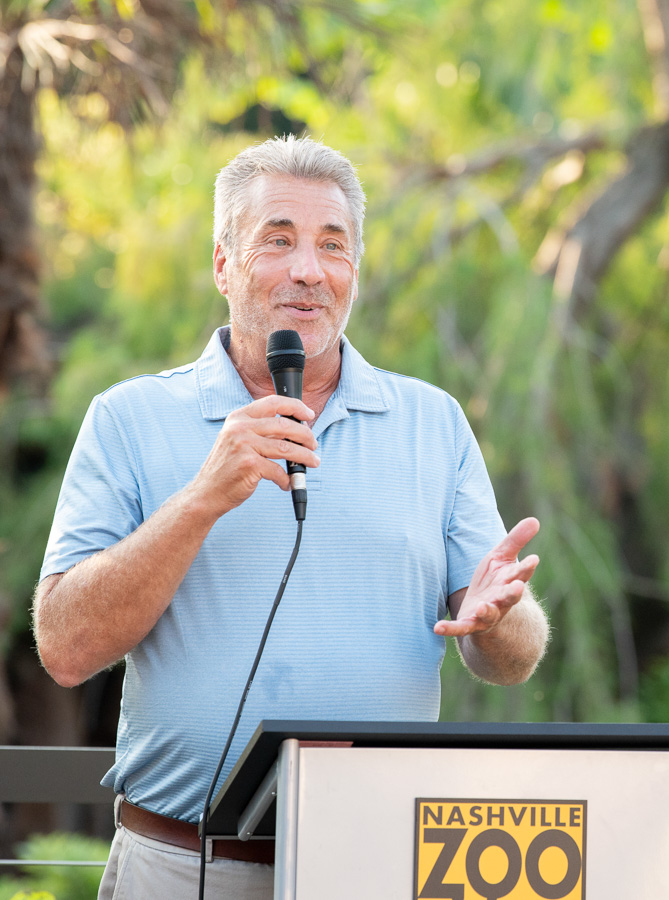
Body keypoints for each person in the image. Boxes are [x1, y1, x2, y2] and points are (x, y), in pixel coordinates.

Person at [33, 135, 549, 898]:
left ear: (353, 273)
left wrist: (498, 620)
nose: (309, 268)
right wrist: (202, 497)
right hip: (181, 868)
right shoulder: (130, 418)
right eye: (279, 240)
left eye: (332, 246)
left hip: (380, 865)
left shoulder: (431, 423)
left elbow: (511, 659)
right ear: (222, 265)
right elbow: (66, 648)